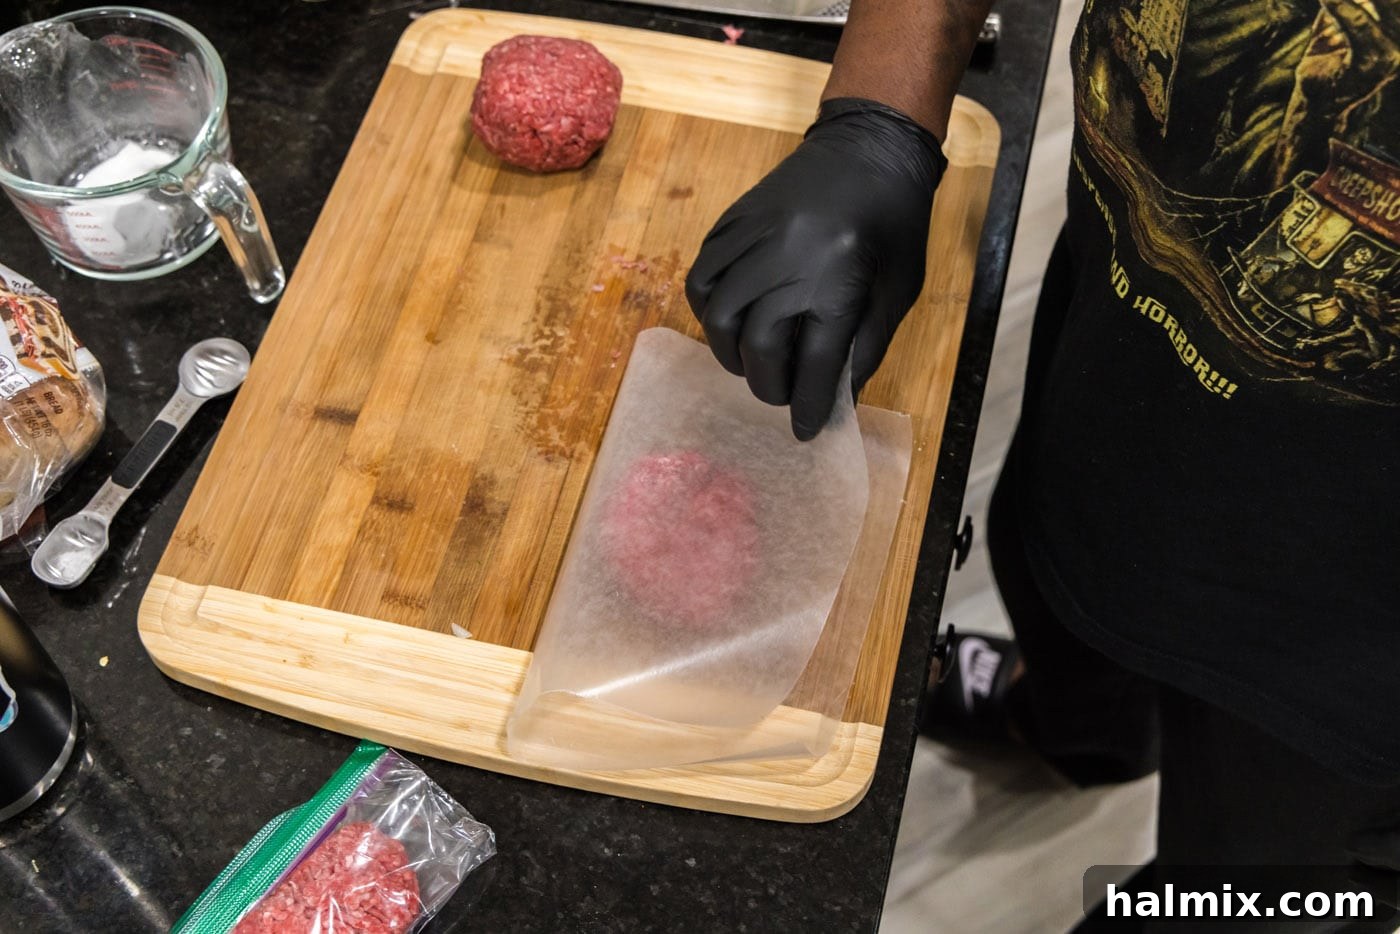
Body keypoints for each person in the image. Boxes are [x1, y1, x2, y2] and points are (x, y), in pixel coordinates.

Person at [685, 0, 1400, 928]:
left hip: (1359, 644)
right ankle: (1074, 735)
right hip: (1125, 351)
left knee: (1246, 884)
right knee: (1059, 585)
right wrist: (881, 115)